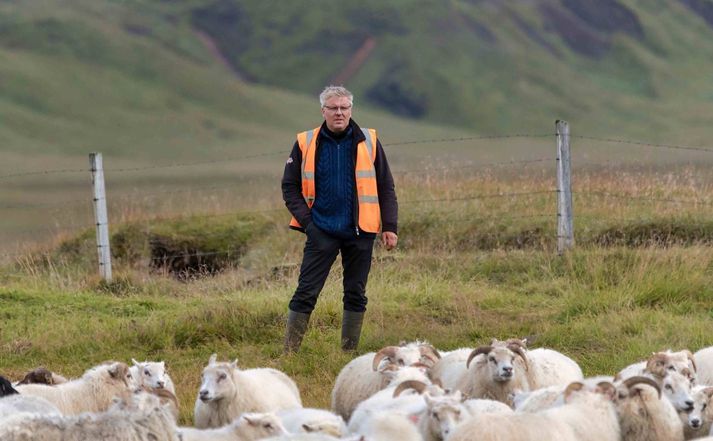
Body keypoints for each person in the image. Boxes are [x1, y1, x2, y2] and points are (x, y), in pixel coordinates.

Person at [281, 85, 398, 353]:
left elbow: (385, 186)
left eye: (344, 108)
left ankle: (348, 354)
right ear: (323, 111)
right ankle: (289, 354)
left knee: (356, 294)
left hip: (361, 232)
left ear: (351, 110)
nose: (339, 113)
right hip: (321, 230)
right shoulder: (305, 142)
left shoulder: (369, 140)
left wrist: (389, 226)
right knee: (306, 292)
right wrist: (309, 224)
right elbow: (289, 187)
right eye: (333, 108)